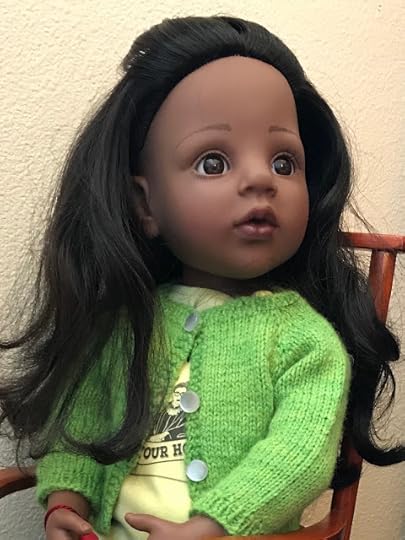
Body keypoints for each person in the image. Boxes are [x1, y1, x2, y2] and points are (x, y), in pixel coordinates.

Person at [0, 14, 404, 540]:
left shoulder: (304, 341)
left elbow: (298, 455)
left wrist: (217, 523)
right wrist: (65, 500)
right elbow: (81, 428)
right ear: (145, 204)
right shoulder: (127, 327)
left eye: (285, 163)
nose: (260, 178)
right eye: (213, 163)